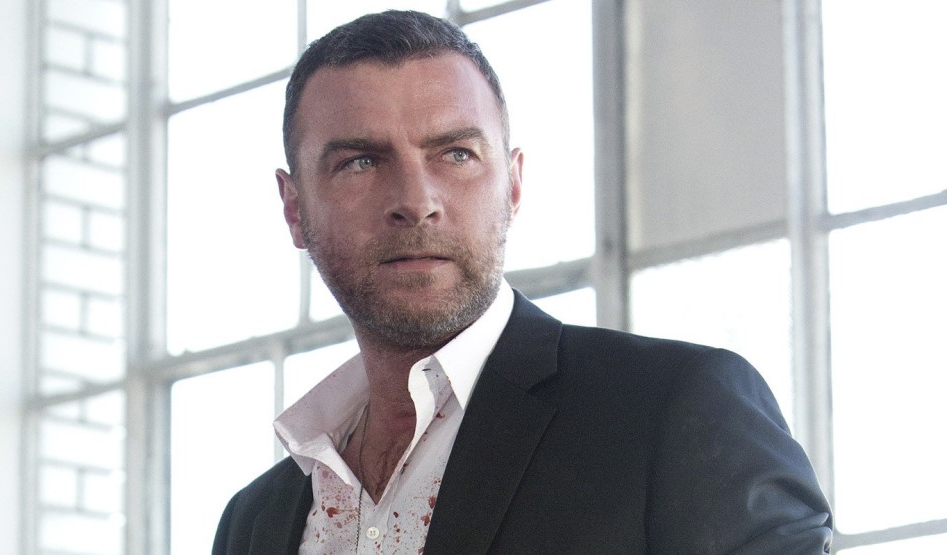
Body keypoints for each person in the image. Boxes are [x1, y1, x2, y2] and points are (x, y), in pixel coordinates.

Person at [212, 10, 833, 554]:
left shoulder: (675, 412)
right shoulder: (253, 522)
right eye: (360, 162)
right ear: (294, 208)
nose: (416, 201)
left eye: (456, 154)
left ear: (512, 185)